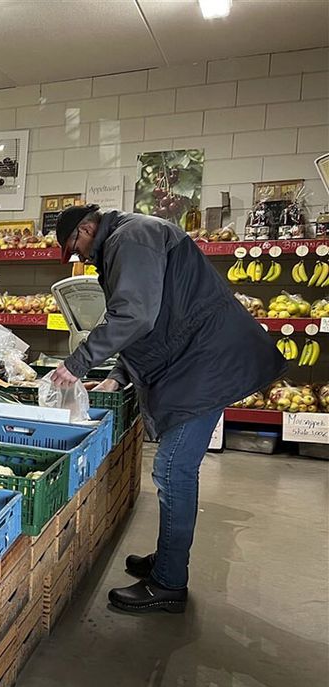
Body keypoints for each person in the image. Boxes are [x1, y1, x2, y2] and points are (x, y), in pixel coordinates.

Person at [50, 205, 285, 614]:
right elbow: (152, 316)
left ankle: (169, 583)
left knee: (173, 469)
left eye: (76, 247)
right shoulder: (130, 237)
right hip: (197, 358)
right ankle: (168, 560)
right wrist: (119, 375)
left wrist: (78, 362)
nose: (81, 257)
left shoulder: (130, 237)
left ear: (88, 228)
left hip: (205, 362)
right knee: (174, 469)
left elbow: (136, 315)